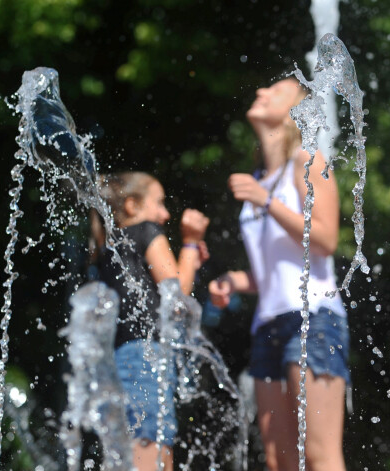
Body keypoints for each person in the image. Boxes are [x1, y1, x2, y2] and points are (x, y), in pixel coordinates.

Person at [209, 77, 349, 471]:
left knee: (320, 456)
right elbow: (277, 269)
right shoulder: (257, 181)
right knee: (279, 461)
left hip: (314, 320)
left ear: (294, 112)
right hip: (267, 323)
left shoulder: (307, 162)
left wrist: (268, 202)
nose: (260, 92)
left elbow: (324, 239)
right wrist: (237, 282)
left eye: (274, 91)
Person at [94, 171, 209, 471]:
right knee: (152, 450)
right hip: (145, 356)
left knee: (131, 451)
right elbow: (177, 294)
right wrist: (191, 243)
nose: (165, 213)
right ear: (132, 206)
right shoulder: (146, 231)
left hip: (118, 359)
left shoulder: (107, 249)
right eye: (158, 203)